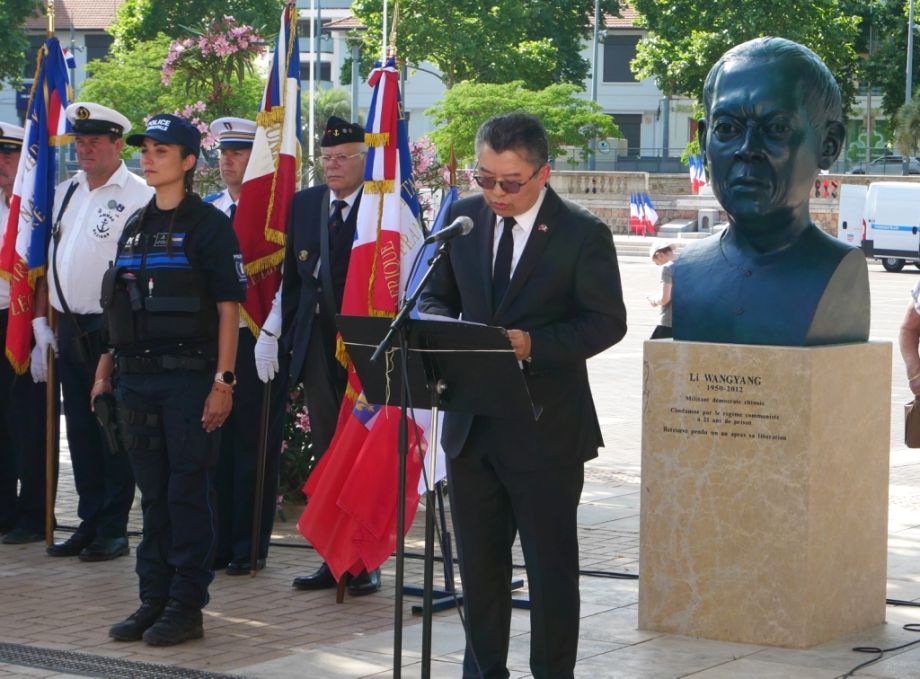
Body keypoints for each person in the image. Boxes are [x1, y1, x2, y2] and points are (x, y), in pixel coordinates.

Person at [419, 112, 627, 679]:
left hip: (547, 433)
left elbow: (607, 322)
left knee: (550, 572)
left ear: (543, 174)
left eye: (510, 182)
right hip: (472, 427)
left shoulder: (582, 232)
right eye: (485, 179)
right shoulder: (461, 218)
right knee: (481, 574)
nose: (496, 193)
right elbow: (432, 299)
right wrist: (448, 332)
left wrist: (533, 344)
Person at [94, 113, 246, 646]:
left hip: (189, 381)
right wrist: (105, 369)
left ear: (188, 162)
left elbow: (229, 308)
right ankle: (152, 600)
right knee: (153, 496)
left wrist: (223, 381)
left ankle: (186, 606)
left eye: (161, 150)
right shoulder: (135, 224)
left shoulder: (209, 225)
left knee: (186, 492)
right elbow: (122, 307)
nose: (148, 157)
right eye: (146, 149)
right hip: (136, 380)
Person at [673, 37, 869, 346]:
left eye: (776, 128)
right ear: (704, 143)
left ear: (828, 145)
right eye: (727, 128)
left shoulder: (839, 273)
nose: (747, 150)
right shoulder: (687, 269)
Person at [35, 102, 152, 561]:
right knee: (80, 430)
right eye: (80, 142)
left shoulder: (139, 195)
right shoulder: (67, 192)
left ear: (117, 145)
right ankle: (88, 520)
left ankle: (114, 527)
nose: (85, 149)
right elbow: (52, 259)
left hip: (113, 327)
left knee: (111, 425)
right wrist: (44, 319)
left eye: (95, 142)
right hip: (70, 326)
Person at [280, 116, 380, 596]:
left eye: (343, 158)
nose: (333, 166)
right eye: (327, 158)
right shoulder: (305, 204)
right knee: (327, 448)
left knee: (361, 454)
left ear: (366, 160)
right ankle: (331, 557)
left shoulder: (385, 206)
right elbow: (292, 281)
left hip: (366, 349)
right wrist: (276, 338)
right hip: (317, 345)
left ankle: (363, 558)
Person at [205, 116, 289, 575]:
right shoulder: (210, 211)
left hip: (257, 340)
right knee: (215, 444)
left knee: (252, 447)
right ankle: (217, 542)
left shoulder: (274, 214)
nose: (228, 162)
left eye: (238, 153)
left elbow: (285, 280)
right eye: (223, 154)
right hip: (215, 342)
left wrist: (272, 332)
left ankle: (248, 546)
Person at [0, 122, 47, 545]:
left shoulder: (35, 206)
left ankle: (33, 515)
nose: (1, 164)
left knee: (27, 422)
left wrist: (40, 326)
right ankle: (3, 511)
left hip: (23, 321)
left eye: (9, 155)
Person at [648, 241, 676, 339]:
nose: (658, 265)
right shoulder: (687, 265)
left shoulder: (667, 268)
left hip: (669, 320)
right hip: (688, 319)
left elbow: (665, 298)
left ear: (659, 255)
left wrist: (654, 300)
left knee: (653, 352)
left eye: (656, 263)